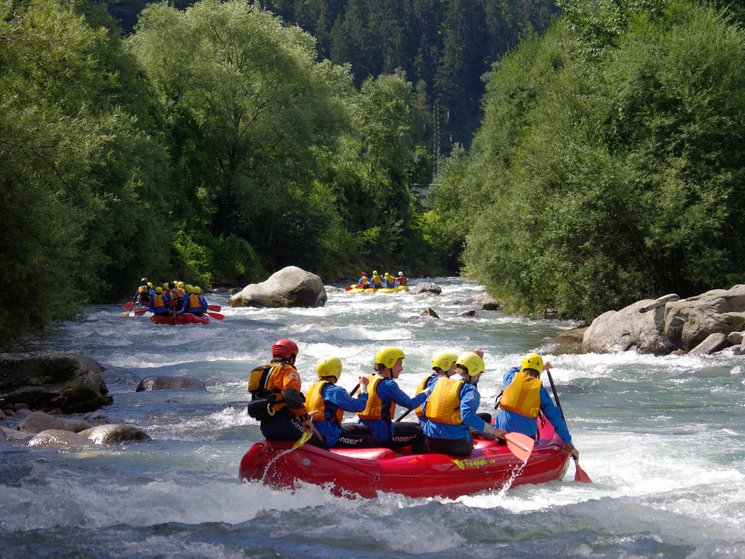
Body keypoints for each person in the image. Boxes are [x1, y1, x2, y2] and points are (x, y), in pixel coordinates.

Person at [495, 352, 580, 461]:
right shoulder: (540, 390)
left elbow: (512, 370)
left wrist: (539, 367)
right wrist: (570, 446)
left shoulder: (509, 378)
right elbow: (555, 419)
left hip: (502, 433)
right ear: (538, 371)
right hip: (525, 439)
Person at [342, 346, 429, 451]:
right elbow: (411, 404)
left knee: (407, 426)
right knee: (420, 431)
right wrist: (426, 393)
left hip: (365, 428)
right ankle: (419, 464)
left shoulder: (368, 378)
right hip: (382, 435)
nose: (401, 369)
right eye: (400, 364)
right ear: (390, 364)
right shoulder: (388, 385)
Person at [421, 351, 506, 456]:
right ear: (473, 372)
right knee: (468, 431)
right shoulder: (469, 390)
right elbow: (467, 417)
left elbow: (424, 409)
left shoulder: (438, 382)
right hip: (455, 445)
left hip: (430, 441)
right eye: (479, 373)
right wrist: (494, 431)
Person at [246, 338, 319, 445]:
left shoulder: (258, 371)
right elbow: (291, 396)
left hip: (266, 427)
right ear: (291, 356)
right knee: (319, 438)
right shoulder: (287, 370)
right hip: (284, 424)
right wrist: (304, 418)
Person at [305, 356, 371, 448]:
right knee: (371, 441)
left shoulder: (311, 388)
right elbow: (359, 406)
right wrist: (363, 387)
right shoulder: (335, 391)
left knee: (360, 428)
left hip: (315, 433)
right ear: (337, 371)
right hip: (330, 437)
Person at [413, 351, 459, 424]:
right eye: (455, 365)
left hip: (425, 422)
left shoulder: (431, 379)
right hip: (432, 425)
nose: (457, 368)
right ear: (446, 365)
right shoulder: (441, 382)